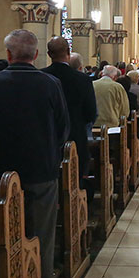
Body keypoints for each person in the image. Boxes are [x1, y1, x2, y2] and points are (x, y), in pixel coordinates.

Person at [0, 30, 69, 278]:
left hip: (0, 174)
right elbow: (63, 128)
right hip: (41, 172)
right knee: (41, 236)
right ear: (36, 55)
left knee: (1, 235)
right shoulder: (50, 84)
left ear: (8, 55)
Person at [43, 37, 98, 185]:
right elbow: (91, 113)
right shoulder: (83, 80)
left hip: (47, 140)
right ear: (68, 51)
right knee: (75, 181)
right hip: (76, 137)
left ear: (49, 54)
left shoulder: (42, 77)